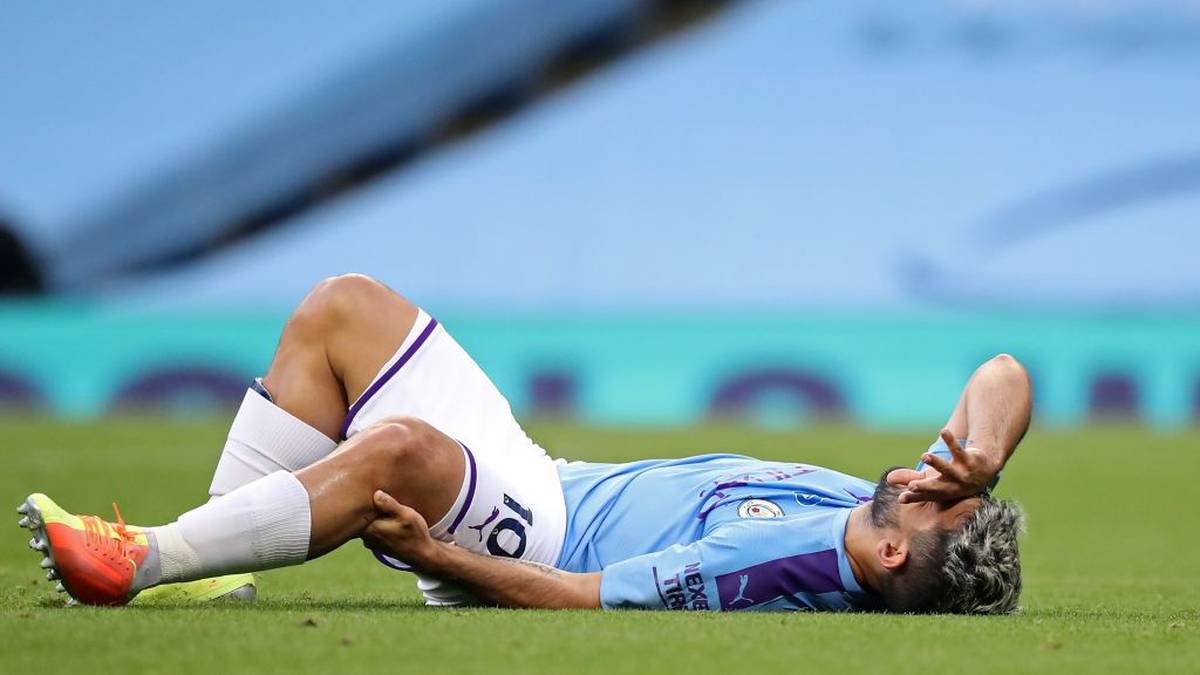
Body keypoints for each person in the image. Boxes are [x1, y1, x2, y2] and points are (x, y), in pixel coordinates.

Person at [16, 274, 1030, 613]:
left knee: (400, 449)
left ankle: (147, 559)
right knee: (344, 309)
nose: (928, 471)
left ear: (892, 551)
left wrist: (437, 557)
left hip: (541, 538)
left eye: (940, 497)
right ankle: (211, 567)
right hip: (547, 478)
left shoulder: (776, 563)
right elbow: (1001, 373)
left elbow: (586, 599)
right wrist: (983, 457)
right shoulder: (873, 509)